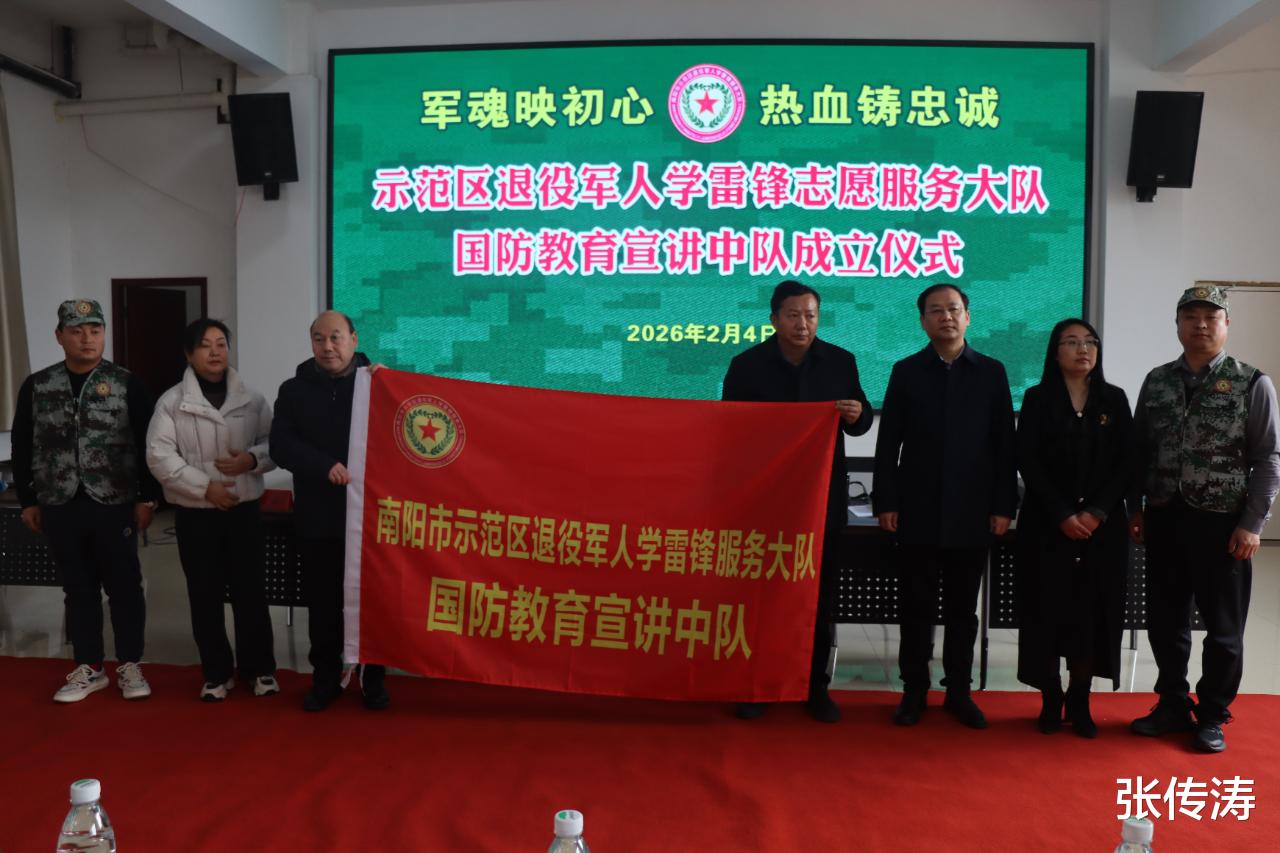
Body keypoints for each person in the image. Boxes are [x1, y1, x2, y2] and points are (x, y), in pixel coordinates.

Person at [1128, 285, 1279, 753]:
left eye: (1210, 317)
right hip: (1165, 517)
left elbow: (1268, 459)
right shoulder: (1157, 381)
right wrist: (1135, 508)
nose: (1200, 324)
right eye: (1190, 316)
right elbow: (1138, 451)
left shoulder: (1252, 382)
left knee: (1224, 629)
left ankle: (1212, 713)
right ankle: (1172, 702)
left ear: (1226, 324)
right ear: (1177, 324)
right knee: (1165, 620)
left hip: (1223, 525)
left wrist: (1253, 523)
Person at [721, 280, 873, 723]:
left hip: (821, 501)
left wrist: (857, 414)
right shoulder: (746, 366)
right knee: (763, 598)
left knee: (818, 599)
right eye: (793, 315)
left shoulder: (840, 361)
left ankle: (815, 688)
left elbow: (861, 422)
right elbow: (730, 430)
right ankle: (758, 684)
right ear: (774, 319)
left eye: (810, 315)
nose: (803, 324)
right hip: (767, 502)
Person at [873, 283, 1017, 729]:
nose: (946, 317)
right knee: (915, 608)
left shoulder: (991, 372)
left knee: (962, 611)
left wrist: (1004, 505)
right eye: (935, 311)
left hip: (972, 510)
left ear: (968, 317)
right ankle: (914, 691)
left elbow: (1004, 445)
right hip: (916, 508)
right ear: (923, 321)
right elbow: (888, 443)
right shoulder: (906, 371)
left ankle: (958, 691)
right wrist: (886, 500)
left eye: (953, 309)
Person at [9, 299, 159, 702]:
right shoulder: (38, 385)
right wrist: (28, 499)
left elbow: (149, 443)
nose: (87, 339)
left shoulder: (126, 383)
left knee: (124, 585)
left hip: (114, 501)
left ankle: (130, 664)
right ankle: (89, 667)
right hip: (59, 500)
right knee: (78, 587)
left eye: (95, 330)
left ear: (104, 334)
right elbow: (23, 444)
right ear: (59, 336)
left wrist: (148, 498)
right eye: (77, 331)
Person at [146, 319, 280, 702]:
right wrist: (206, 487)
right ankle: (216, 673)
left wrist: (251, 460)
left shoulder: (253, 399)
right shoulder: (171, 402)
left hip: (243, 512)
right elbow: (159, 456)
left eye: (221, 344)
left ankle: (259, 669)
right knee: (204, 595)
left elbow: (274, 443)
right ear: (190, 354)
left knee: (251, 593)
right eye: (205, 345)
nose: (215, 352)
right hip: (197, 515)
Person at [1014, 319, 1132, 737]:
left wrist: (1097, 512)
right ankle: (1051, 697)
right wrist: (1062, 513)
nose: (1083, 349)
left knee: (1090, 614)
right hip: (1047, 527)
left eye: (1090, 342)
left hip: (1102, 529)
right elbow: (1027, 460)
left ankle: (1080, 699)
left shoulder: (1114, 399)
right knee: (1046, 611)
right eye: (1072, 342)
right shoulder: (1037, 398)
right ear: (1055, 351)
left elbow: (1127, 462)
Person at [270, 310, 388, 711]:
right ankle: (324, 678)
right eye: (319, 339)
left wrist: (395, 386)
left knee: (372, 603)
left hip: (370, 519)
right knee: (322, 604)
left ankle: (373, 679)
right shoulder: (293, 390)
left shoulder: (379, 385)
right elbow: (280, 446)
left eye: (336, 337)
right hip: (318, 517)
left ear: (354, 339)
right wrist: (323, 465)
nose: (328, 346)